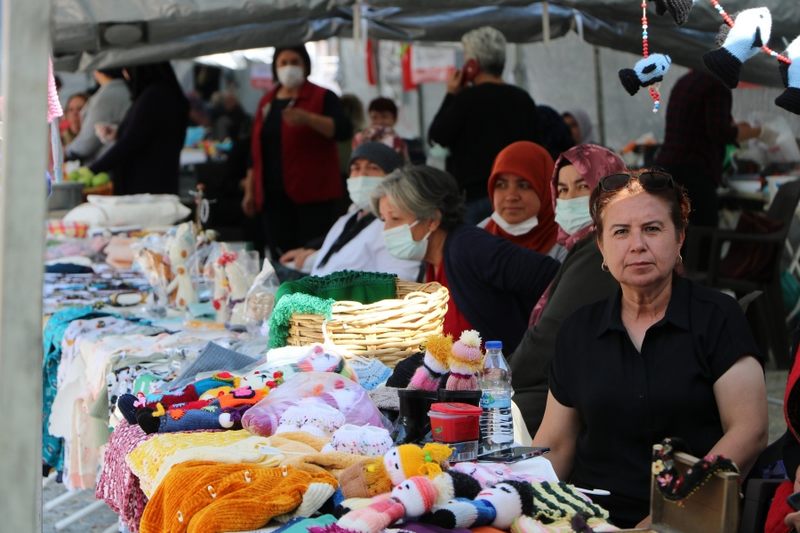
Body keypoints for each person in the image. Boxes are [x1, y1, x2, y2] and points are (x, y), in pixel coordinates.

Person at [533, 169, 768, 528]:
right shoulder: (579, 331)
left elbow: (749, 431)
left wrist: (664, 517)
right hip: (592, 520)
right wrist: (514, 499)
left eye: (653, 229)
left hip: (692, 517)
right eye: (621, 231)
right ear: (602, 246)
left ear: (680, 238)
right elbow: (556, 444)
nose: (637, 245)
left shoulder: (717, 317)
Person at [372, 165, 559, 352]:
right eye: (383, 220)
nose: (387, 230)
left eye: (395, 218)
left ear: (432, 219)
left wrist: (532, 352)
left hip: (504, 377)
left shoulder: (469, 246)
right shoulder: (430, 263)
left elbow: (553, 277)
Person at [510, 144, 626, 435]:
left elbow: (550, 334)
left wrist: (498, 377)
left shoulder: (599, 252)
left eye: (582, 187)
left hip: (584, 391)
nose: (569, 199)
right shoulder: (586, 246)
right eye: (562, 189)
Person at [241, 45, 353, 259]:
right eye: (283, 63)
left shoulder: (322, 97)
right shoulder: (267, 102)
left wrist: (309, 119)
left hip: (313, 195)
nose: (289, 67)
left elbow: (343, 130)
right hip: (273, 196)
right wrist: (249, 189)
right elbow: (255, 149)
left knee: (312, 255)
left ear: (305, 65)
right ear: (275, 68)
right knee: (280, 255)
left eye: (295, 62)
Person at [428, 26, 539, 225]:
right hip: (516, 196)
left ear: (472, 65)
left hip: (473, 197)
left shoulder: (464, 100)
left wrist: (450, 94)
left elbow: (437, 137)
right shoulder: (523, 99)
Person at [278, 142, 420, 280]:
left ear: (392, 177)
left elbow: (400, 280)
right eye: (356, 168)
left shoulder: (394, 224)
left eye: (373, 168)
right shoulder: (348, 219)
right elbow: (339, 259)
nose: (362, 175)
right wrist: (309, 257)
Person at [655, 70, 761, 227]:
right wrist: (755, 132)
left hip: (666, 169)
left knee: (673, 233)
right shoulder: (717, 85)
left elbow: (699, 125)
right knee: (702, 235)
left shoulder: (686, 80)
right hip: (694, 173)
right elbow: (719, 132)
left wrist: (733, 127)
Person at [88, 62, 189, 195]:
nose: (125, 74)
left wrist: (91, 170)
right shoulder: (165, 93)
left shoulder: (154, 96)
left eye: (129, 69)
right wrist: (119, 132)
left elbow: (130, 142)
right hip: (158, 184)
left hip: (145, 189)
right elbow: (146, 133)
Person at [480, 141, 559, 256]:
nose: (511, 196)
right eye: (501, 185)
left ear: (546, 190)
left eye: (524, 186)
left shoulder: (568, 246)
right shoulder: (478, 237)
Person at [64, 69, 131, 165]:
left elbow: (87, 142)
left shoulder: (107, 95)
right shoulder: (120, 89)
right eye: (70, 110)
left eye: (80, 109)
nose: (75, 114)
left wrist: (65, 152)